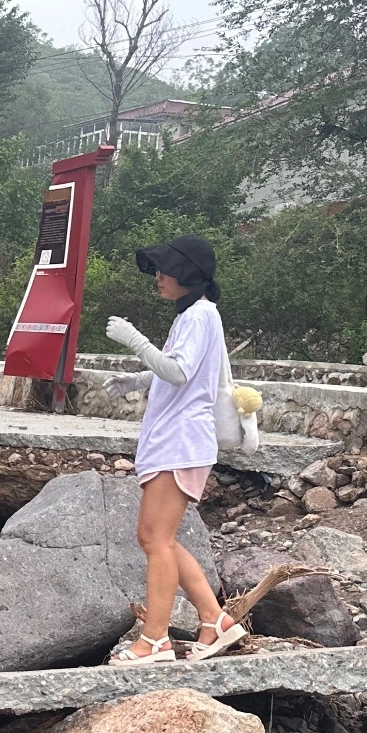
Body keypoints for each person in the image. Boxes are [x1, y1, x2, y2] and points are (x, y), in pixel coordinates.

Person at [104, 234, 245, 663]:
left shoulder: (200, 315)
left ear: (187, 274)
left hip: (181, 440)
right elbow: (180, 369)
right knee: (158, 537)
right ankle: (215, 620)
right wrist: (138, 379)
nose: (158, 277)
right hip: (174, 439)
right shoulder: (192, 315)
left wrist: (134, 340)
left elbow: (181, 372)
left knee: (155, 539)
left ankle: (155, 640)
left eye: (165, 270)